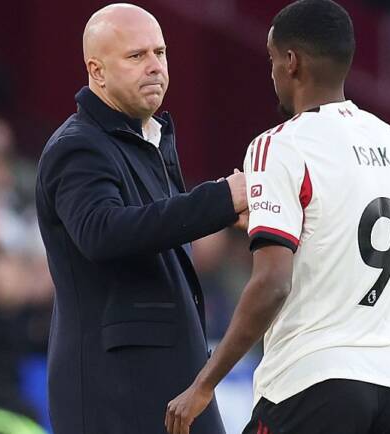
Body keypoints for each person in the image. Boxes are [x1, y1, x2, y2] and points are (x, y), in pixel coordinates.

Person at [166, 1, 390, 433]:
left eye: (271, 60)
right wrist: (271, 219)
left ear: (291, 62)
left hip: (313, 381)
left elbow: (272, 283)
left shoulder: (279, 145)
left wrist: (204, 384)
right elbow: (338, 235)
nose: (271, 75)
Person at [34, 4, 246, 434]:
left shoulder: (150, 139)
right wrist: (222, 199)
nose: (155, 66)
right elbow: (102, 233)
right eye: (136, 56)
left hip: (173, 386)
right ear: (97, 71)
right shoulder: (77, 147)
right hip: (115, 392)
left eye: (160, 53)